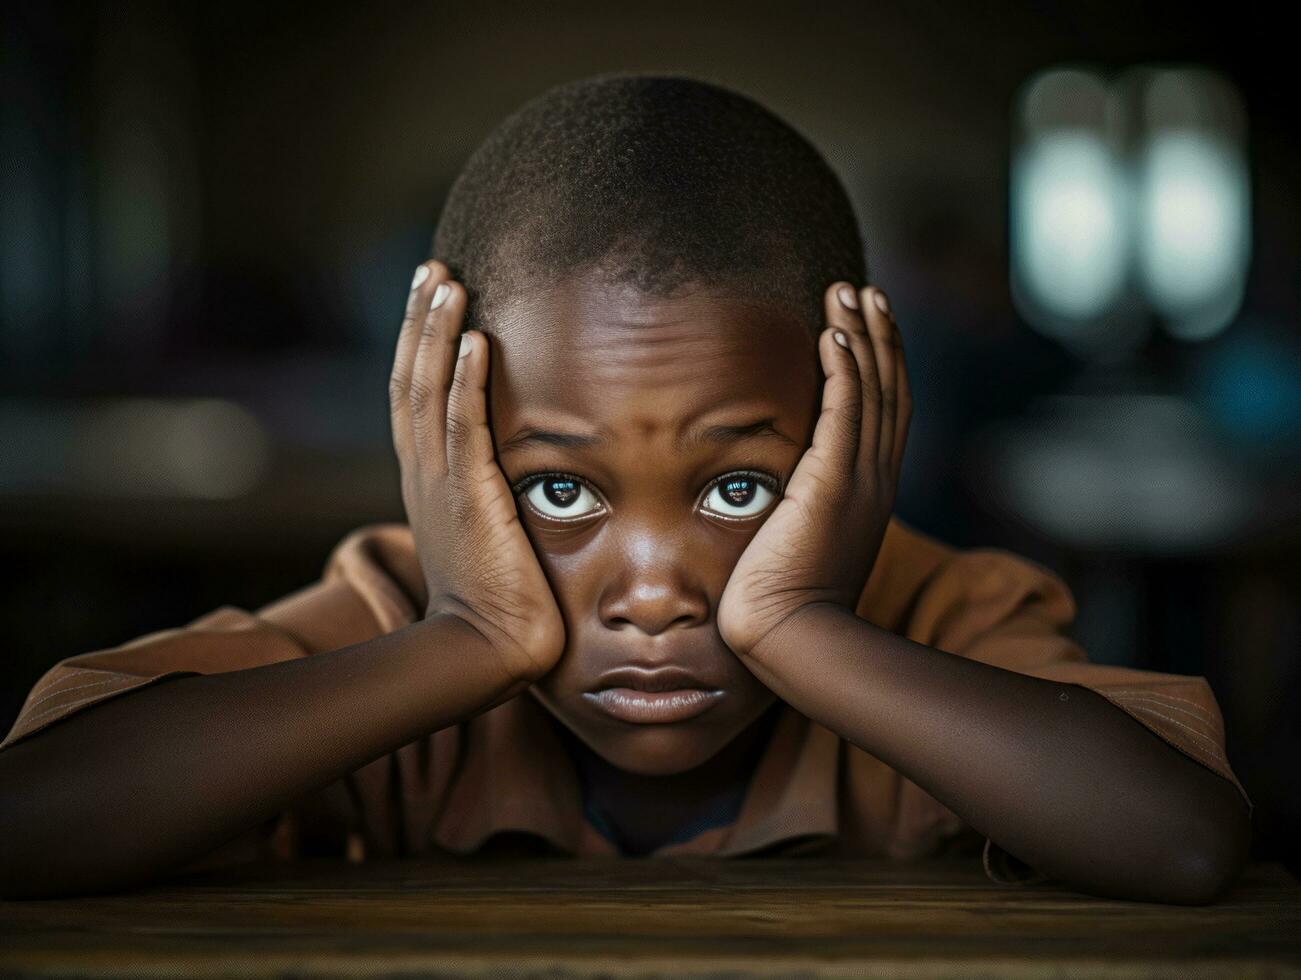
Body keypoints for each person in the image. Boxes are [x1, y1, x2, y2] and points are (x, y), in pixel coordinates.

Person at [0, 73, 1251, 903]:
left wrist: (802, 624)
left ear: (856, 437)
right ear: (446, 455)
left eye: (737, 489)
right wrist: (468, 636)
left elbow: (1182, 839)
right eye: (557, 495)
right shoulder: (396, 611)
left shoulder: (933, 612)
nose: (653, 590)